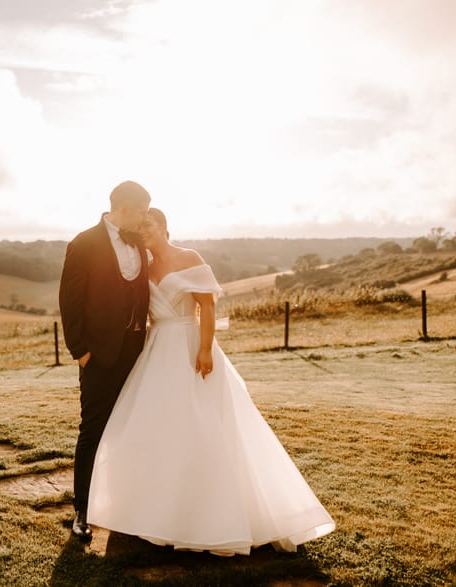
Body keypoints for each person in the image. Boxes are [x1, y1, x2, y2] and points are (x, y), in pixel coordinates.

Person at [87, 208, 335, 555]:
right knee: (155, 426)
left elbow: (207, 307)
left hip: (190, 345)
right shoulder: (142, 263)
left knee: (204, 423)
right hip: (157, 349)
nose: (143, 230)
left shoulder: (190, 257)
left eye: (149, 224)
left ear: (164, 227)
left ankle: (215, 517)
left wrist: (204, 350)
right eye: (139, 225)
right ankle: (157, 512)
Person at [58, 180, 151, 541]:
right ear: (124, 208)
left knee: (132, 427)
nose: (145, 219)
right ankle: (82, 510)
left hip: (138, 353)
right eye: (142, 211)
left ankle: (128, 506)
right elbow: (70, 301)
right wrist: (80, 351)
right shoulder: (84, 243)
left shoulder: (139, 243)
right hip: (98, 355)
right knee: (93, 429)